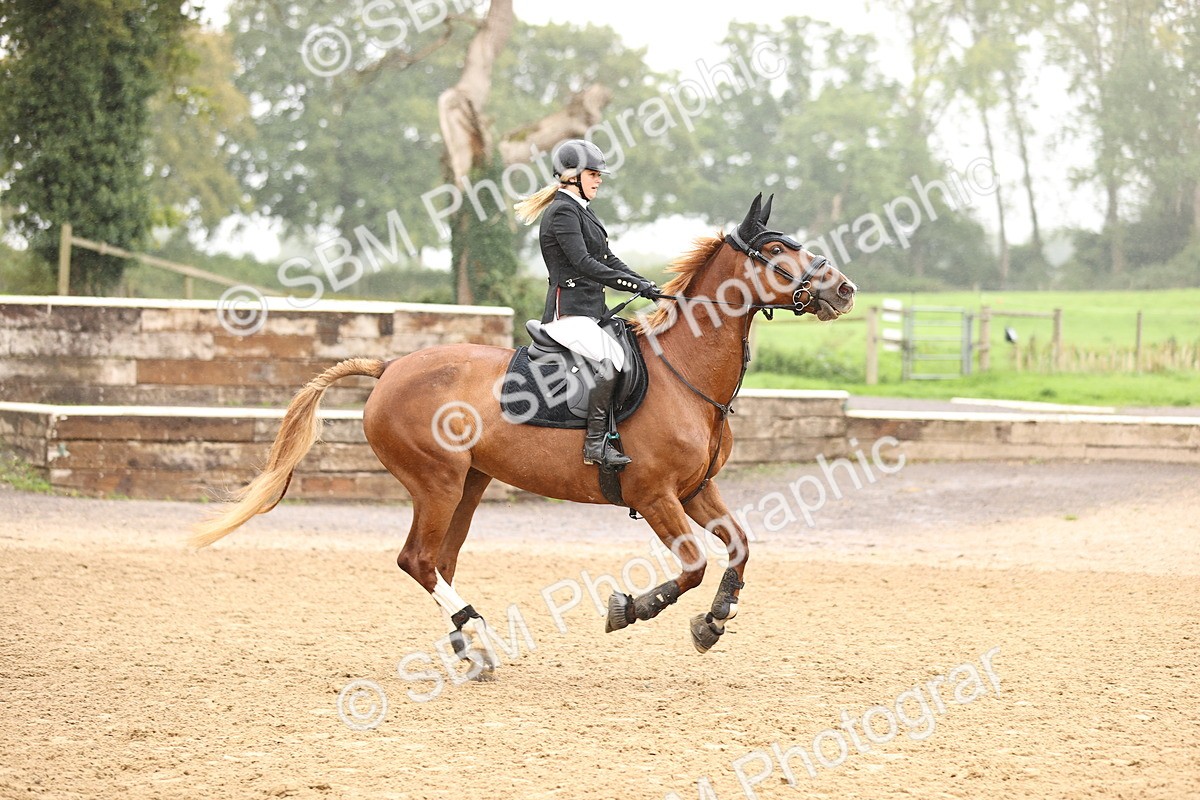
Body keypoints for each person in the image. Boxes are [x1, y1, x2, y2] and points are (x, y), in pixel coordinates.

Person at [514, 139, 662, 470]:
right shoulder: (562, 212)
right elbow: (583, 263)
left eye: (599, 174)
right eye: (593, 174)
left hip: (590, 312)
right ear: (571, 176)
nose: (599, 180)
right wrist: (628, 284)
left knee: (627, 352)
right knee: (612, 358)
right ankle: (595, 444)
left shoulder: (583, 212)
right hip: (568, 313)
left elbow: (607, 258)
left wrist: (645, 283)